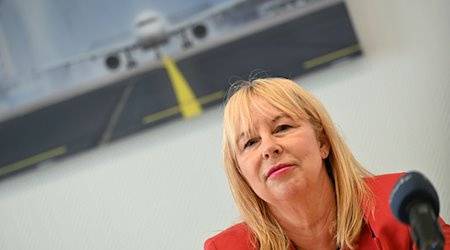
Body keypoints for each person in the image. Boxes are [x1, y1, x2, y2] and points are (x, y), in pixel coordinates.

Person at [204, 77, 450, 250]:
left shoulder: (402, 206)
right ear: (241, 173)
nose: (269, 148)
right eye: (250, 143)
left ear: (322, 142)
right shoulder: (226, 248)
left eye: (282, 127)